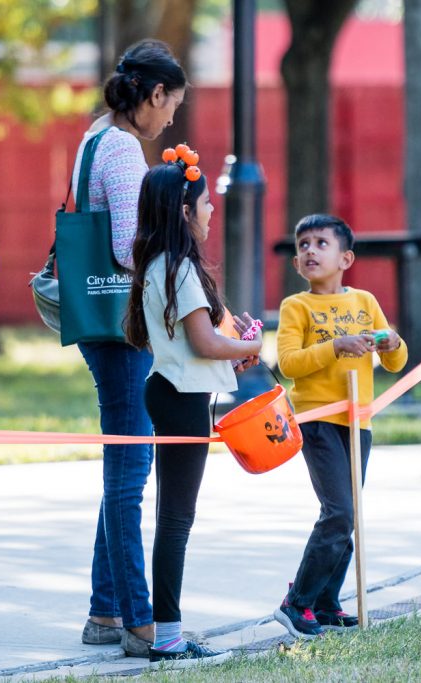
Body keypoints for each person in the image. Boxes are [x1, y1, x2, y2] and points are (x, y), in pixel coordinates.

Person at [124, 149, 262, 667]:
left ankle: (168, 632)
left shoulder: (161, 264)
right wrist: (245, 348)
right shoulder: (180, 268)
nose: (211, 213)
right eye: (205, 204)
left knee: (173, 516)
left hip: (175, 391)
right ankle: (168, 639)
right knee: (177, 519)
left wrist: (234, 355)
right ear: (184, 212)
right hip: (180, 400)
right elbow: (205, 343)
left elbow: (197, 346)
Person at [74, 40, 187, 657]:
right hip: (122, 331)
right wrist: (182, 226)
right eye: (170, 105)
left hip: (103, 328)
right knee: (130, 477)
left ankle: (104, 613)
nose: (170, 119)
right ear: (153, 94)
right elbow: (127, 247)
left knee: (122, 468)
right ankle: (141, 624)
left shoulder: (95, 134)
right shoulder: (121, 148)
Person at [273, 213, 408, 638]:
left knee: (348, 515)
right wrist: (335, 346)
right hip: (317, 422)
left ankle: (327, 604)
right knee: (339, 512)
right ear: (296, 263)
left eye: (320, 243)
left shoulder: (365, 302)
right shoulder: (296, 306)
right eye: (304, 246)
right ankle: (297, 603)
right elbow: (290, 363)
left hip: (358, 421)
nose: (310, 251)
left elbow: (395, 362)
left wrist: (393, 343)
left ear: (345, 257)